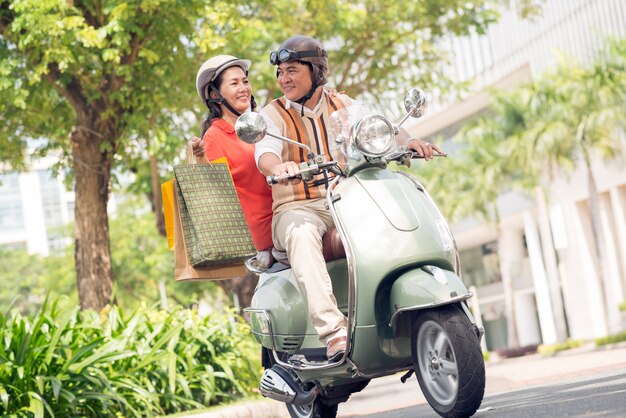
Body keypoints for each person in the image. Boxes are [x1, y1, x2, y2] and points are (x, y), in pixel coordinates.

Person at [254, 35, 441, 361]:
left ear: (315, 71)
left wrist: (410, 141)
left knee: (392, 213)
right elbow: (264, 153)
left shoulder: (343, 103)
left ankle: (395, 307)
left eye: (292, 70)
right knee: (301, 233)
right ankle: (332, 331)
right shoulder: (272, 115)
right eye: (280, 72)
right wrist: (280, 165)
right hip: (299, 205)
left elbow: (381, 127)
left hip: (346, 198)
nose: (284, 79)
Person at [193, 55, 274, 268]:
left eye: (245, 81)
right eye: (234, 83)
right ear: (214, 94)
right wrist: (200, 158)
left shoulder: (261, 125)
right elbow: (216, 196)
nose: (243, 88)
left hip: (288, 214)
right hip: (267, 238)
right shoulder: (215, 137)